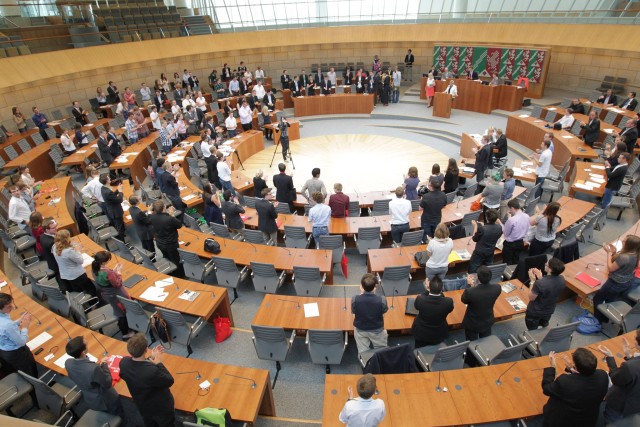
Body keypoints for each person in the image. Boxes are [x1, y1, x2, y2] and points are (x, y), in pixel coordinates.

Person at [541, 348, 609, 427]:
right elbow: (584, 378)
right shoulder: (603, 375)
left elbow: (546, 388)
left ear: (576, 366)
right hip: (588, 419)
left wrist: (552, 367)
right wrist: (571, 369)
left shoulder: (565, 381)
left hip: (564, 421)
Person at [120, 333, 175, 427]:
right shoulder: (151, 371)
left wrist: (151, 358)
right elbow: (169, 380)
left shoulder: (123, 362)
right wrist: (158, 363)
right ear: (146, 349)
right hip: (160, 408)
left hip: (142, 404)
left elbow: (137, 367)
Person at [65, 336, 124, 416]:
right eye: (87, 344)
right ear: (83, 352)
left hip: (90, 398)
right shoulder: (94, 369)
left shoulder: (68, 362)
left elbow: (73, 376)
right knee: (117, 414)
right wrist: (104, 365)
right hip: (104, 400)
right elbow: (107, 382)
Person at [593, 235, 640, 324]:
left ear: (629, 245)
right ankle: (605, 318)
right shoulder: (636, 254)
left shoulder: (624, 257)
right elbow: (622, 265)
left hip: (614, 284)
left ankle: (597, 321)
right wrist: (614, 253)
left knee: (597, 299)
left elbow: (611, 268)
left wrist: (608, 253)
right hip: (625, 282)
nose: (622, 241)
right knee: (610, 299)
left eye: (624, 241)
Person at [598, 330, 640, 423]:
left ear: (637, 344)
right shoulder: (632, 365)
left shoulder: (629, 367)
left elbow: (615, 378)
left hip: (620, 408)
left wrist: (610, 357)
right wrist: (629, 356)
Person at [92, 251, 134, 339]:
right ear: (103, 262)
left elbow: (107, 279)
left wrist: (113, 271)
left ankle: (124, 328)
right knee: (122, 314)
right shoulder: (108, 273)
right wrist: (118, 272)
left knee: (119, 310)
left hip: (107, 294)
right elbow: (118, 284)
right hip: (115, 295)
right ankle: (125, 333)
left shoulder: (94, 268)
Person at [0, 292, 37, 378]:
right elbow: (21, 342)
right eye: (8, 306)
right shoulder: (7, 325)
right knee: (30, 375)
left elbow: (3, 330)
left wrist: (18, 322)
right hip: (17, 354)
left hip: (3, 351)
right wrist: (25, 326)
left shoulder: (4, 320)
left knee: (14, 370)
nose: (12, 307)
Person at [461, 266, 501, 341]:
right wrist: (473, 287)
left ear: (478, 278)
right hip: (487, 320)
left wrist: (470, 285)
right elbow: (481, 295)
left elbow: (464, 300)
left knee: (471, 344)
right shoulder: (497, 288)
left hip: (472, 323)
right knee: (486, 342)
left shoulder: (470, 292)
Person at [411, 276, 454, 347]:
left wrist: (427, 289)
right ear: (441, 289)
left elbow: (416, 306)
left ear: (429, 287)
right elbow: (448, 306)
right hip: (439, 333)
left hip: (421, 332)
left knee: (418, 350)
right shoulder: (448, 302)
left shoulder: (420, 299)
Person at [525, 257, 566, 330]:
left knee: (532, 330)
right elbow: (549, 288)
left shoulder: (539, 283)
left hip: (535, 312)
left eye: (547, 264)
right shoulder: (562, 279)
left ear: (550, 269)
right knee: (544, 325)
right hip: (549, 310)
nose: (545, 264)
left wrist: (532, 281)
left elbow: (531, 298)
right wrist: (541, 278)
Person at [352, 273, 388, 355]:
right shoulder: (382, 300)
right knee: (381, 352)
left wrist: (362, 294)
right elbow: (383, 314)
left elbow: (354, 314)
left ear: (361, 286)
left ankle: (365, 364)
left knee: (363, 353)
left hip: (360, 330)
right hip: (377, 330)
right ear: (375, 287)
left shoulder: (355, 299)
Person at [52, 229, 96, 295]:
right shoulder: (68, 251)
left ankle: (84, 302)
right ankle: (94, 302)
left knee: (77, 290)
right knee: (90, 289)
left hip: (66, 274)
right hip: (77, 275)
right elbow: (81, 260)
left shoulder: (54, 246)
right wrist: (78, 250)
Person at [150, 200, 185, 278]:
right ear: (164, 208)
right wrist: (172, 215)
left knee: (166, 257)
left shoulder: (152, 217)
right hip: (170, 244)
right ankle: (180, 277)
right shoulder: (169, 219)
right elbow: (179, 225)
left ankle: (170, 273)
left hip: (159, 243)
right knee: (176, 260)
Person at [468, 209, 503, 273]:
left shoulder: (482, 229)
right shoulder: (499, 228)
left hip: (479, 253)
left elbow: (474, 239)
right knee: (488, 269)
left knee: (473, 268)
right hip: (490, 252)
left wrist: (475, 226)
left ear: (487, 218)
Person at [501, 199, 530, 265]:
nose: (509, 211)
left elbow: (506, 233)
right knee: (516, 261)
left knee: (507, 262)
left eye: (510, 209)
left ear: (512, 208)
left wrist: (500, 223)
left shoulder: (512, 220)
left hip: (510, 245)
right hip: (520, 243)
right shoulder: (527, 216)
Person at [100, 174, 126, 242]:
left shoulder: (103, 188)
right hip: (116, 212)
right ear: (106, 180)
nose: (110, 179)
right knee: (120, 228)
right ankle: (123, 242)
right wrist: (120, 192)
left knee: (120, 225)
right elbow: (119, 200)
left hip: (111, 210)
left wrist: (117, 190)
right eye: (108, 178)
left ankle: (121, 236)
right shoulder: (108, 191)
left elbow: (111, 196)